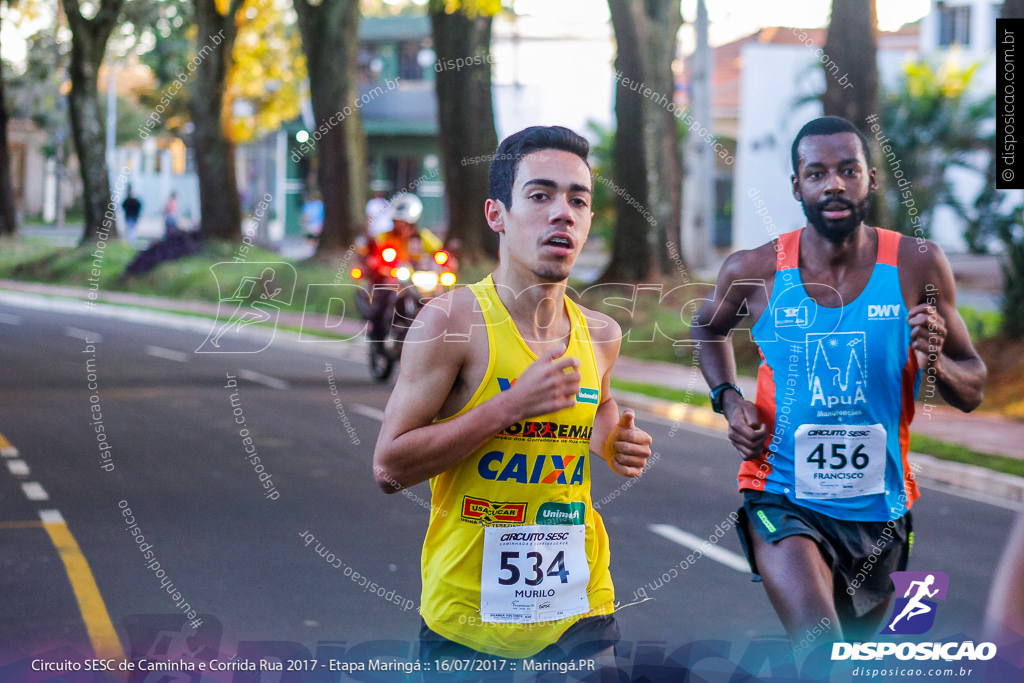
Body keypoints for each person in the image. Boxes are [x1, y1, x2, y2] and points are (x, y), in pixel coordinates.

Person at [692, 116, 986, 648]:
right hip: (781, 495)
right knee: (821, 647)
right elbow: (707, 329)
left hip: (880, 508)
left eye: (848, 170)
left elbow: (974, 386)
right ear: (796, 185)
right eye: (817, 172)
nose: (833, 184)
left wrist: (935, 360)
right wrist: (728, 398)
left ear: (870, 179)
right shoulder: (753, 269)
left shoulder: (917, 265)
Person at [372, 126, 653, 675]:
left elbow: (595, 406)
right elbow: (389, 466)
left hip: (580, 602)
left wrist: (613, 440)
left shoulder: (600, 334)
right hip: (468, 615)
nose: (562, 214)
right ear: (496, 214)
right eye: (540, 195)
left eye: (578, 200)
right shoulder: (452, 323)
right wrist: (508, 407)